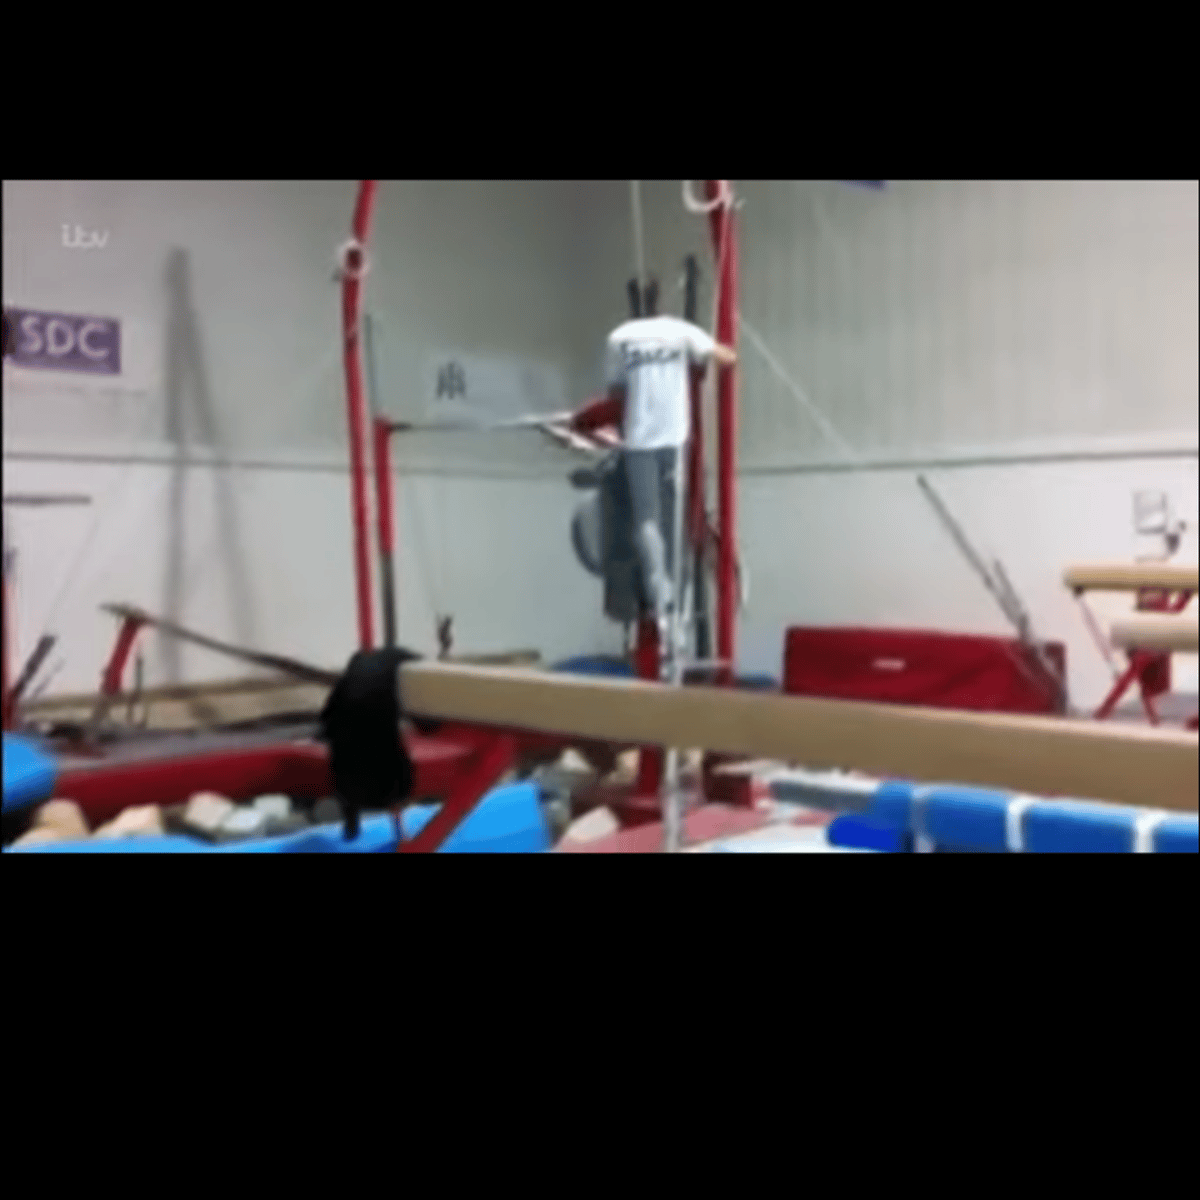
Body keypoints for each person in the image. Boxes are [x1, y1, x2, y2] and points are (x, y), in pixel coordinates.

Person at [599, 278, 737, 645]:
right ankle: (670, 602)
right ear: (658, 302)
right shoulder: (679, 331)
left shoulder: (620, 337)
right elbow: (726, 357)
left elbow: (614, 391)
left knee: (649, 520)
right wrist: (723, 341)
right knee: (670, 521)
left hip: (641, 442)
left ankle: (663, 598)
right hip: (673, 440)